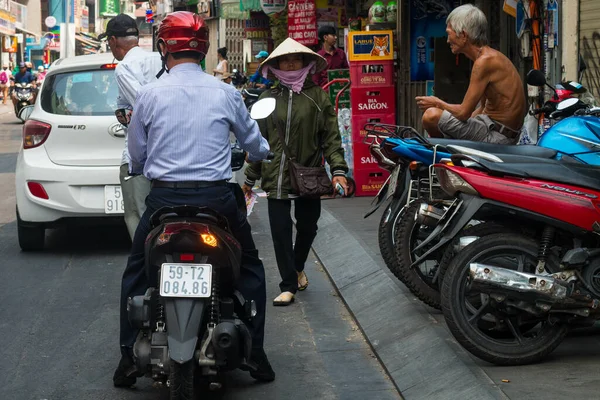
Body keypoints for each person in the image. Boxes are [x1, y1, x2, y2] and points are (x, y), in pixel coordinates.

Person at [113, 11, 275, 387]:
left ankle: (126, 359)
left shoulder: (149, 94)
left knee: (136, 271)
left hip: (164, 202)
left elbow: (136, 156)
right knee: (249, 268)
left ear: (163, 46)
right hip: (217, 201)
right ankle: (258, 355)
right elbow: (254, 144)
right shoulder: (225, 92)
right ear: (202, 49)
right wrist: (260, 151)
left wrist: (146, 164)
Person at [242, 38, 349, 306]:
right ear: (276, 65)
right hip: (275, 177)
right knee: (279, 232)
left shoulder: (318, 98)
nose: (290, 63)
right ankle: (288, 284)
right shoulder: (267, 99)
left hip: (309, 176)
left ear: (306, 62)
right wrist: (249, 179)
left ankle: (297, 266)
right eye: (285, 60)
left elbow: (332, 139)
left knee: (308, 227)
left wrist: (338, 170)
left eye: (296, 59)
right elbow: (259, 143)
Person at [415, 4, 526, 144]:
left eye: (449, 34)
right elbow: (481, 109)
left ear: (463, 35)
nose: (448, 40)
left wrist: (437, 102)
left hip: (498, 136)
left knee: (431, 116)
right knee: (441, 118)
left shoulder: (484, 62)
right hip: (494, 127)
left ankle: (441, 155)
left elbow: (463, 113)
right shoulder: (488, 58)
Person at [99, 13, 163, 240]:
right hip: (170, 152)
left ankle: (145, 265)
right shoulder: (160, 58)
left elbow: (144, 106)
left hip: (139, 155)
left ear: (114, 41)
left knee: (137, 214)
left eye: (109, 43)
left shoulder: (124, 67)